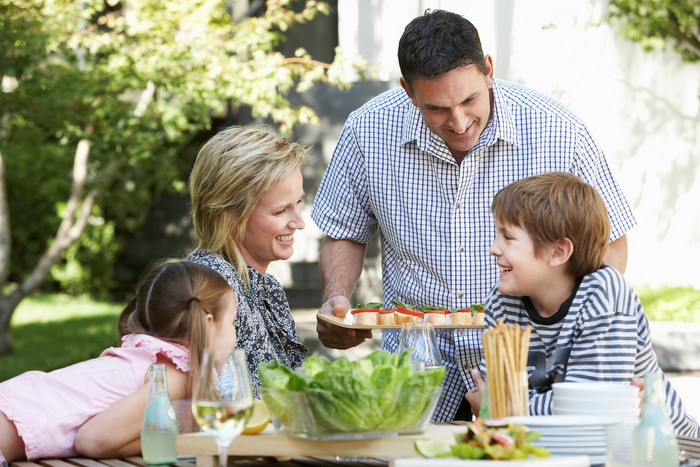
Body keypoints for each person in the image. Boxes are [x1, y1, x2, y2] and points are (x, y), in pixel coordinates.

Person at [310, 9, 637, 422]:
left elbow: (610, 243)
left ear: (487, 71)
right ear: (408, 92)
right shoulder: (367, 130)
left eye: (469, 100)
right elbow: (345, 231)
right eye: (437, 109)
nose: (460, 121)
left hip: (531, 376)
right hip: (419, 376)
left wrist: (579, 335)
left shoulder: (559, 129)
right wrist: (336, 299)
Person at [463, 172, 698, 437]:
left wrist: (504, 408)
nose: (493, 248)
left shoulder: (603, 292)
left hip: (662, 449)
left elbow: (590, 411)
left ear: (558, 252)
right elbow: (491, 394)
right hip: (552, 446)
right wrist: (501, 406)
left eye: (508, 237)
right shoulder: (502, 300)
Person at [0, 260, 237, 462]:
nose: (235, 336)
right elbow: (92, 440)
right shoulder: (174, 375)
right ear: (207, 322)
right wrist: (172, 441)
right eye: (232, 323)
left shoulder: (150, 356)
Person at [187, 124, 309, 395]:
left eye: (298, 203)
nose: (299, 222)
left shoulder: (268, 287)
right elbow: (215, 404)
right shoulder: (208, 286)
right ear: (231, 215)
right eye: (281, 211)